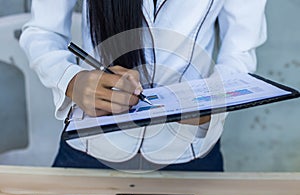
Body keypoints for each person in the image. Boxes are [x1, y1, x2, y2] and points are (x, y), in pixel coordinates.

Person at [20, 0, 267, 171]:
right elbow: (42, 31)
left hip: (190, 150)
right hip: (91, 145)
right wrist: (71, 80)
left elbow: (240, 50)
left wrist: (212, 100)